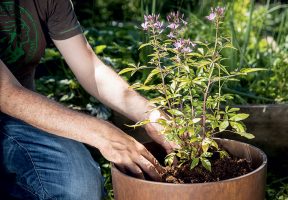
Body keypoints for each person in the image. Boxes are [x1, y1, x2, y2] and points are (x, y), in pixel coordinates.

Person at [0, 0, 175, 199]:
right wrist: (104, 134)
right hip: (10, 103)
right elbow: (6, 93)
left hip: (20, 120)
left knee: (79, 185)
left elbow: (91, 69)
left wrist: (151, 114)